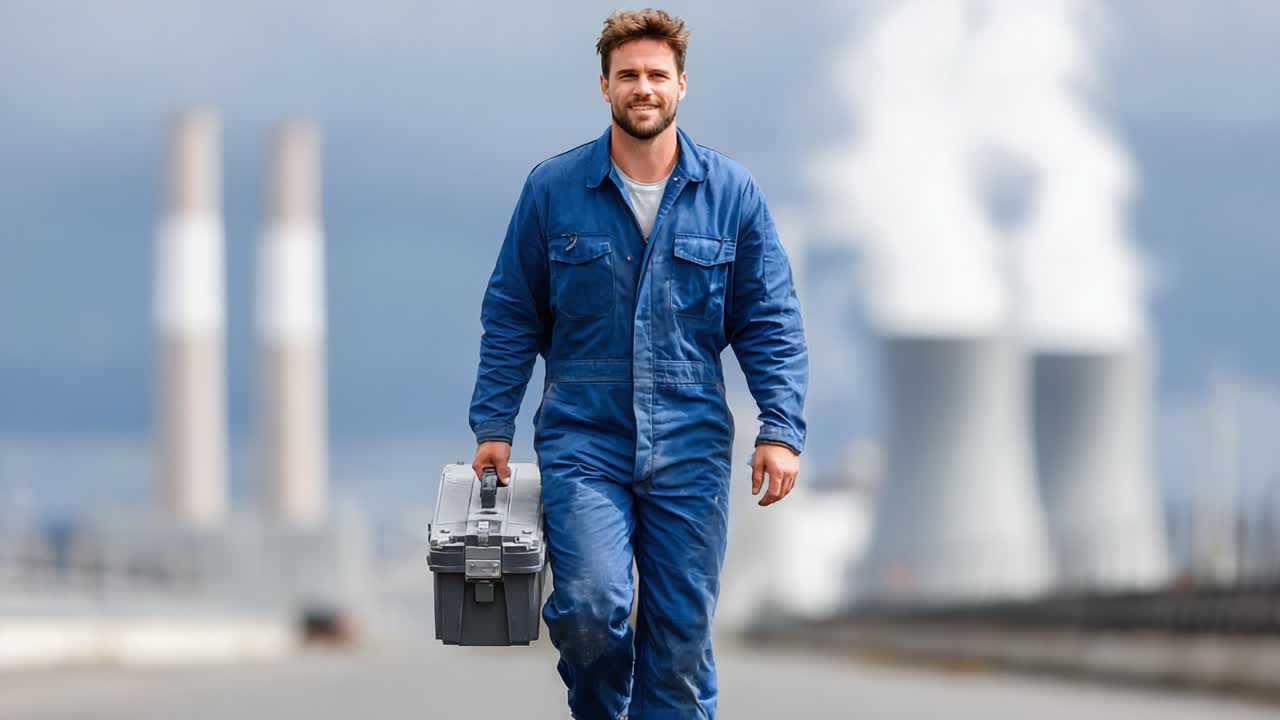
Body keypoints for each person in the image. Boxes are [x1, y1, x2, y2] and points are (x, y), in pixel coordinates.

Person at [468, 9, 807, 719]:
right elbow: (510, 312)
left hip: (690, 437)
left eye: (657, 74)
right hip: (583, 436)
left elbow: (770, 318)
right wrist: (493, 422)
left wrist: (780, 427)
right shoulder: (553, 190)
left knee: (679, 642)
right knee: (590, 613)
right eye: (629, 75)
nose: (643, 87)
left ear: (682, 84)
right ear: (604, 87)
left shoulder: (731, 194)